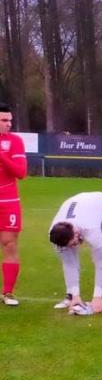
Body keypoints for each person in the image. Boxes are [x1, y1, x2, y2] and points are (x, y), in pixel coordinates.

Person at [48, 192, 102, 316]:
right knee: (68, 259)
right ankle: (71, 294)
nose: (75, 245)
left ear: (75, 231)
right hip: (83, 204)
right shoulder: (55, 235)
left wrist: (97, 297)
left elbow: (101, 263)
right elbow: (69, 264)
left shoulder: (90, 229)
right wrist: (76, 295)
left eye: (74, 242)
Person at [0, 103, 27, 306]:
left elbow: (21, 172)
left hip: (8, 201)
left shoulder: (15, 141)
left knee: (9, 244)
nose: (9, 124)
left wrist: (2, 156)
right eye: (4, 120)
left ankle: (8, 293)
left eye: (10, 120)